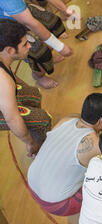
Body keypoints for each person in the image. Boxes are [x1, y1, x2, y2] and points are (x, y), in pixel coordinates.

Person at [0, 19, 51, 158]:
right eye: (24, 44)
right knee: (43, 120)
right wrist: (29, 142)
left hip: (4, 91)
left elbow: (11, 77)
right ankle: (40, 150)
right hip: (4, 104)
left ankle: (31, 127)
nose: (29, 46)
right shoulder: (2, 80)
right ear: (10, 50)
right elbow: (12, 118)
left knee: (33, 94)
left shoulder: (3, 57)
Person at [0, 0, 74, 88]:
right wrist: (60, 46)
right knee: (39, 54)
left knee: (52, 22)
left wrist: (65, 10)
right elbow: (31, 23)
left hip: (17, 11)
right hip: (5, 29)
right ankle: (39, 77)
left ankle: (49, 55)